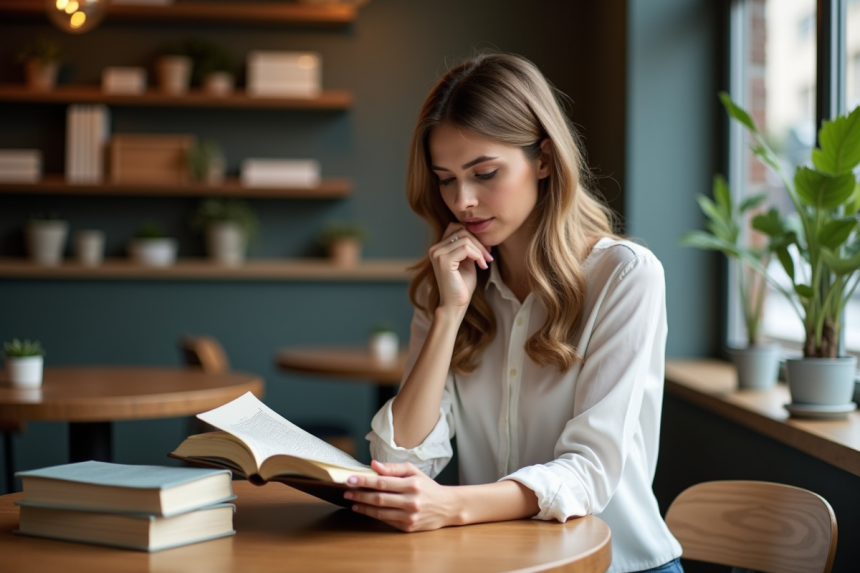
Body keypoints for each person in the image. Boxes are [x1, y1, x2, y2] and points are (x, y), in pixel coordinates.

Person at [344, 53, 683, 573]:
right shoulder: (449, 283)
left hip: (617, 565)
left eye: (485, 173)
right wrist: (449, 313)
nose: (464, 201)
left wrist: (451, 505)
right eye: (446, 178)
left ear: (543, 159)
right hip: (495, 562)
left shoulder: (625, 275)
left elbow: (589, 472)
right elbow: (401, 462)